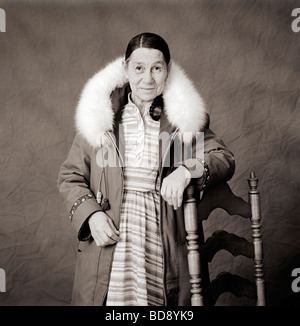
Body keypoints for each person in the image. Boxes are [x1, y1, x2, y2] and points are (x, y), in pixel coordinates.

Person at [57, 32, 235, 306]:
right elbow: (70, 177)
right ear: (126, 69)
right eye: (139, 68)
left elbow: (222, 157)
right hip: (110, 247)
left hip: (163, 246)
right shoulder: (100, 116)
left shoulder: (181, 119)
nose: (147, 78)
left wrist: (186, 170)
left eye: (156, 68)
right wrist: (92, 215)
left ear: (167, 70)